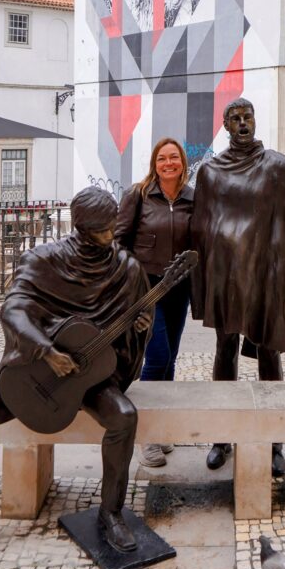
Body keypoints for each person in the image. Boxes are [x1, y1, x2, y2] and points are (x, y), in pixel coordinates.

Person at [0, 186, 152, 569]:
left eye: (113, 227)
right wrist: (45, 350)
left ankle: (111, 513)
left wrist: (139, 327)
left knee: (124, 416)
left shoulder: (127, 269)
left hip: (92, 377)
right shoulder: (44, 260)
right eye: (103, 230)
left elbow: (136, 329)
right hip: (40, 370)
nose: (111, 236)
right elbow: (15, 309)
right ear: (82, 228)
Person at [191, 97, 285, 476]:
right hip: (226, 276)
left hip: (264, 275)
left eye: (248, 117)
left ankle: (274, 441)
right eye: (235, 118)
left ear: (255, 121)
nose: (243, 123)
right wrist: (203, 285)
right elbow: (201, 228)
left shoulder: (277, 168)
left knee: (268, 351)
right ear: (225, 125)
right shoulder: (210, 172)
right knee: (224, 349)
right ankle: (221, 437)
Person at [116, 137, 194, 468]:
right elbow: (119, 241)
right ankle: (146, 434)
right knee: (157, 355)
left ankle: (161, 428)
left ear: (182, 163)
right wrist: (128, 281)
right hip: (147, 288)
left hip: (179, 287)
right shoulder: (138, 195)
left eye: (174, 157)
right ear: (154, 164)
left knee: (171, 358)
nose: (168, 163)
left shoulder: (192, 198)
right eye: (162, 158)